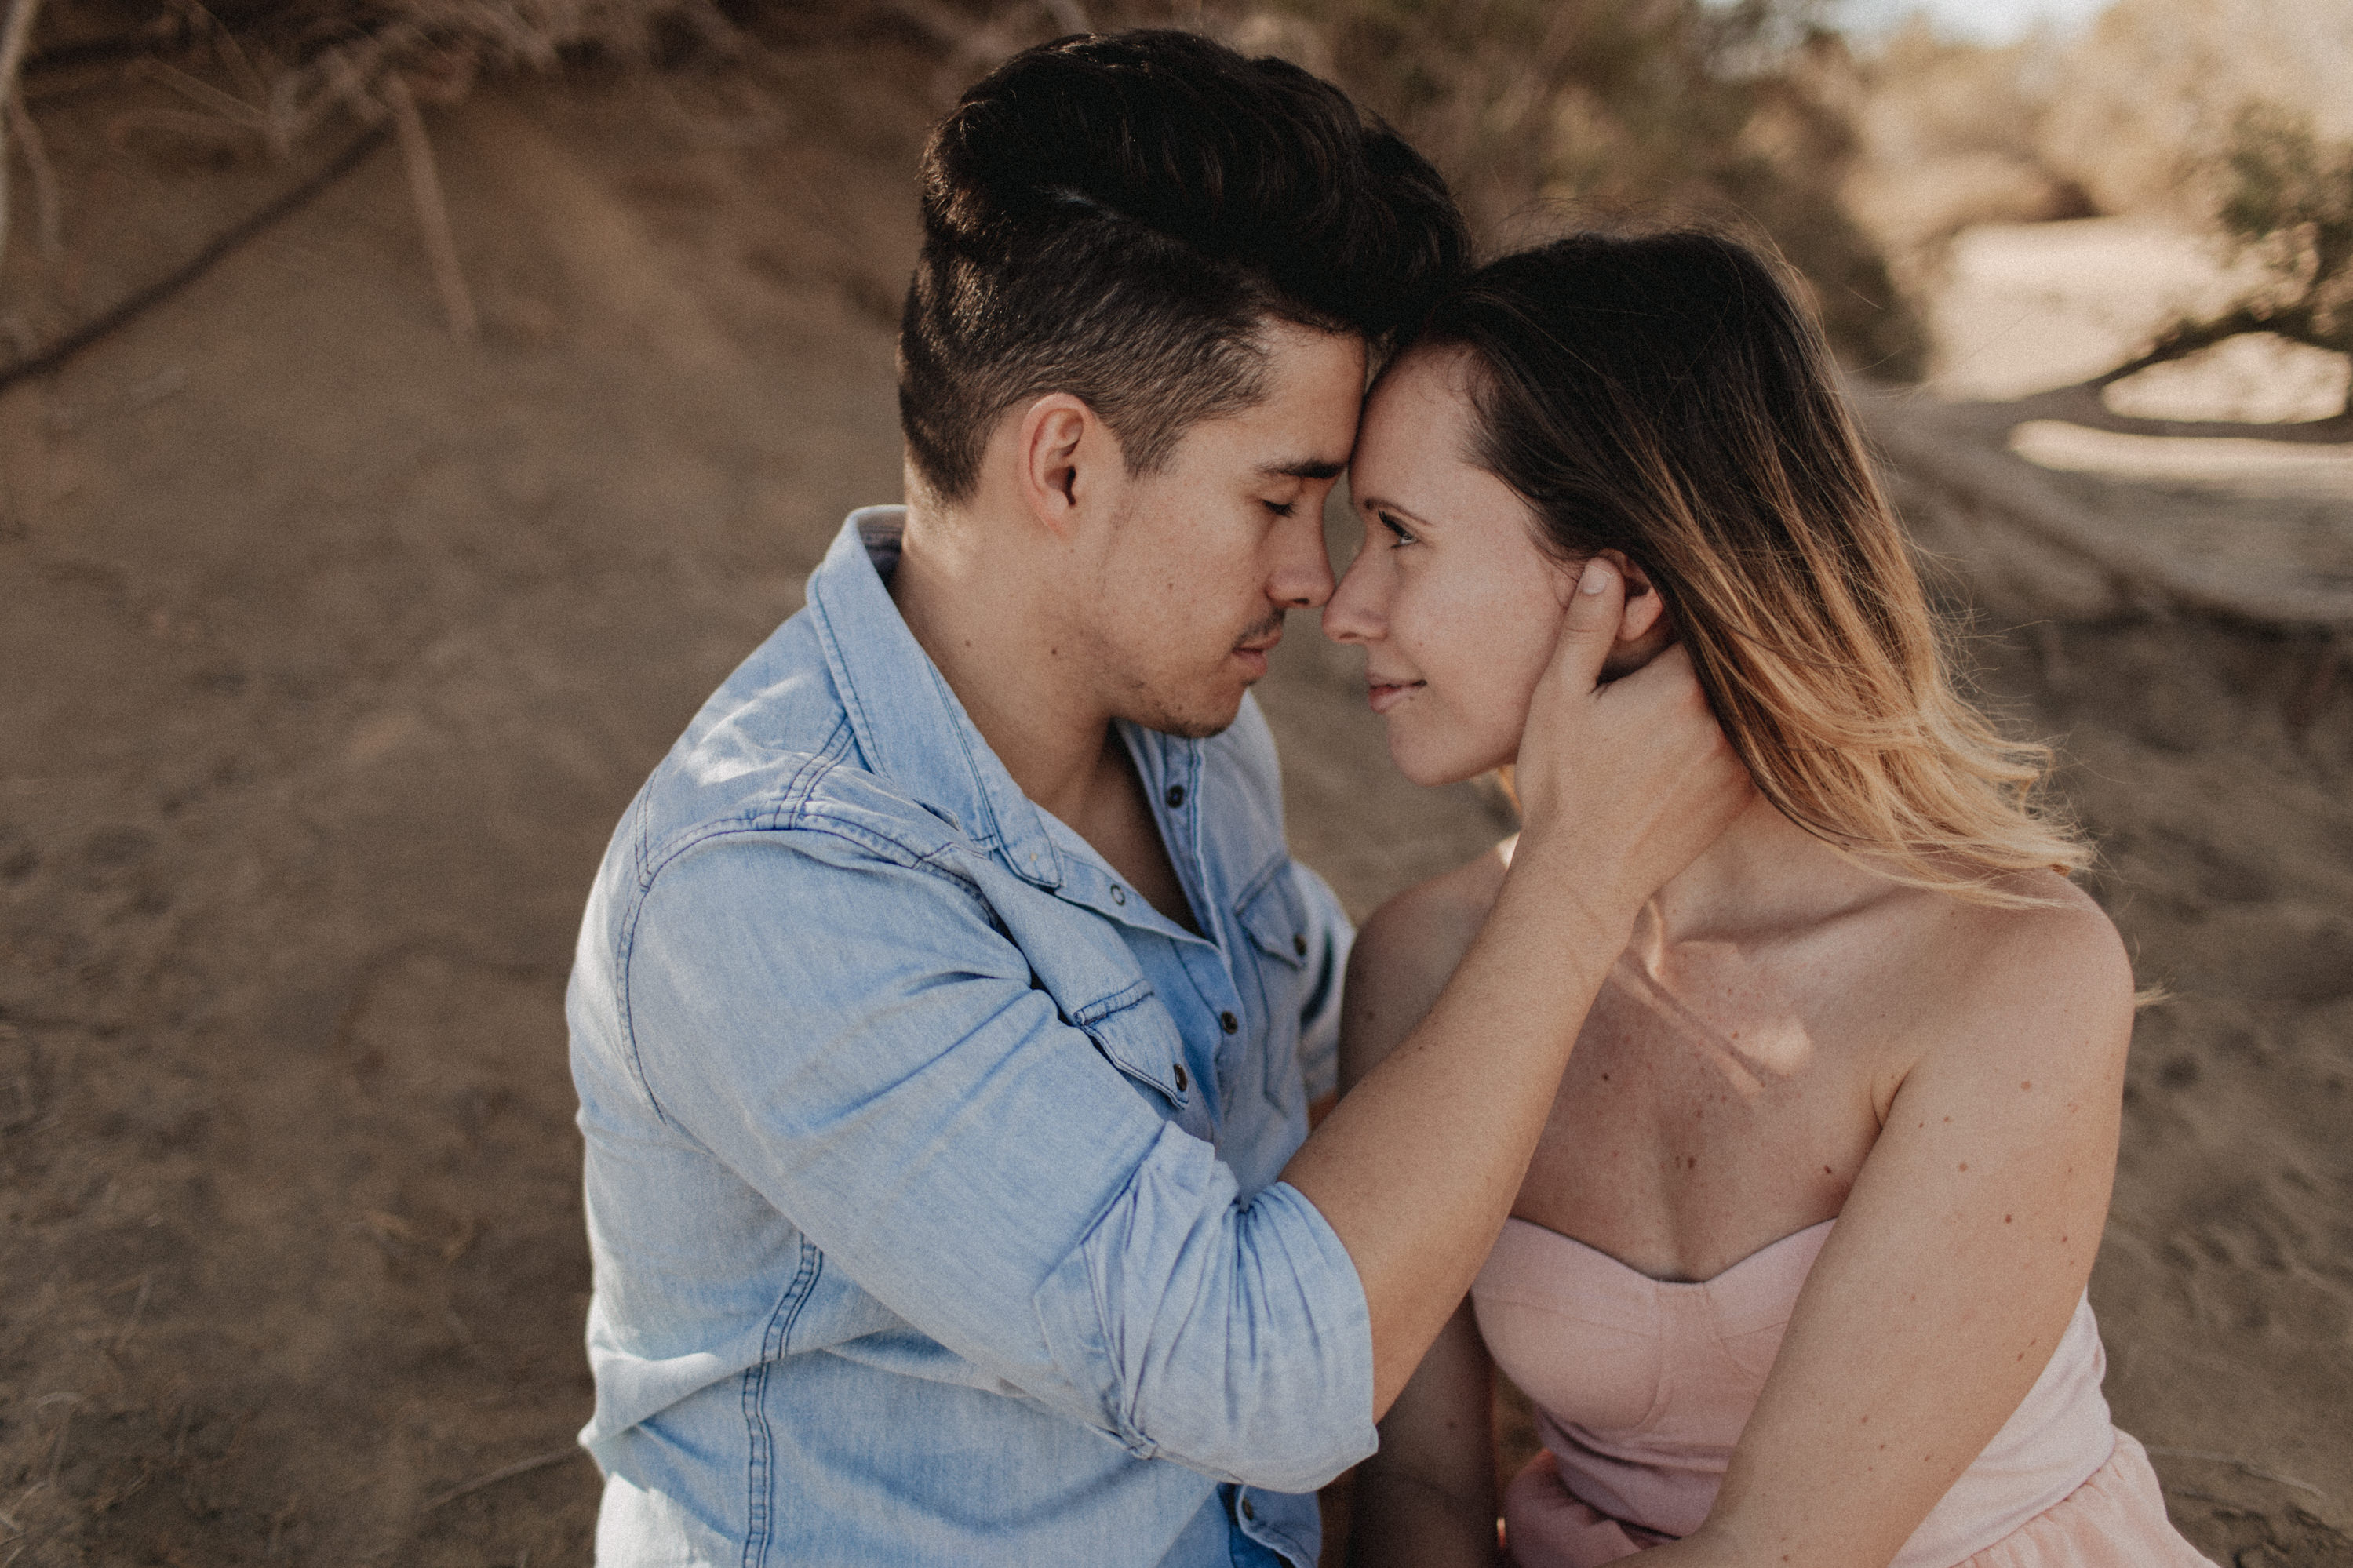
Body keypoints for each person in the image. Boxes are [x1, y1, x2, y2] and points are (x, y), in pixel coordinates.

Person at [565, 35, 1749, 1567]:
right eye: (1278, 499)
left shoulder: (1184, 731)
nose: (1317, 578)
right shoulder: (770, 884)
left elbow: (1324, 1050)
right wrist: (1578, 881)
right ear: (1062, 464)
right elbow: (1259, 1371)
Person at [1329, 225, 2214, 1568]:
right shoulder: (1420, 960)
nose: (1343, 606)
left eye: (1400, 535)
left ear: (1616, 587)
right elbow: (1428, 1502)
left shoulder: (2006, 967)